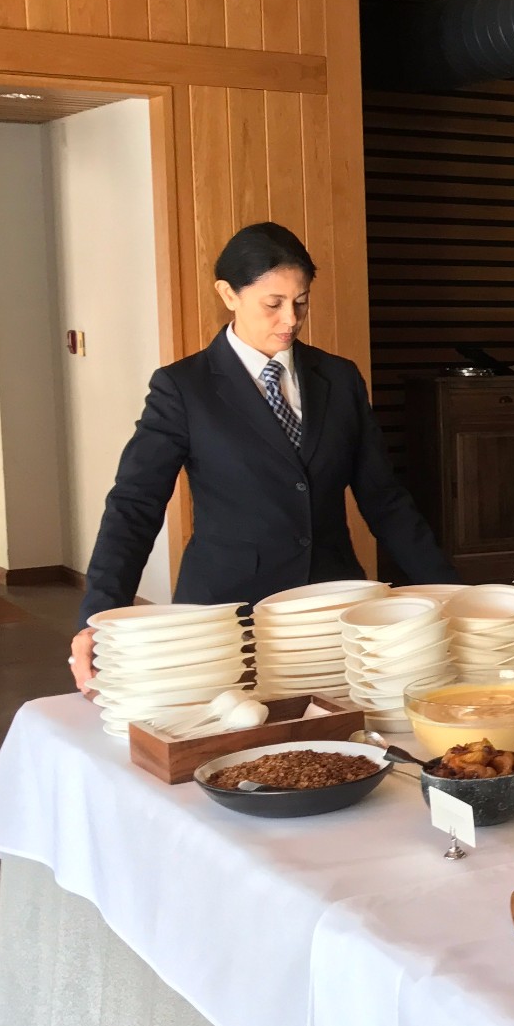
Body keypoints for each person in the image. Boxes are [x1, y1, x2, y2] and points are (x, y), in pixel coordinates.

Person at [68, 222, 455, 690]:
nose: (290, 319)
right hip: (227, 617)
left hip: (331, 609)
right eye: (273, 304)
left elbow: (384, 499)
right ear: (228, 294)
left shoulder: (339, 378)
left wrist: (450, 591)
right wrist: (98, 616)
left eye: (301, 301)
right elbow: (135, 504)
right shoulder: (183, 388)